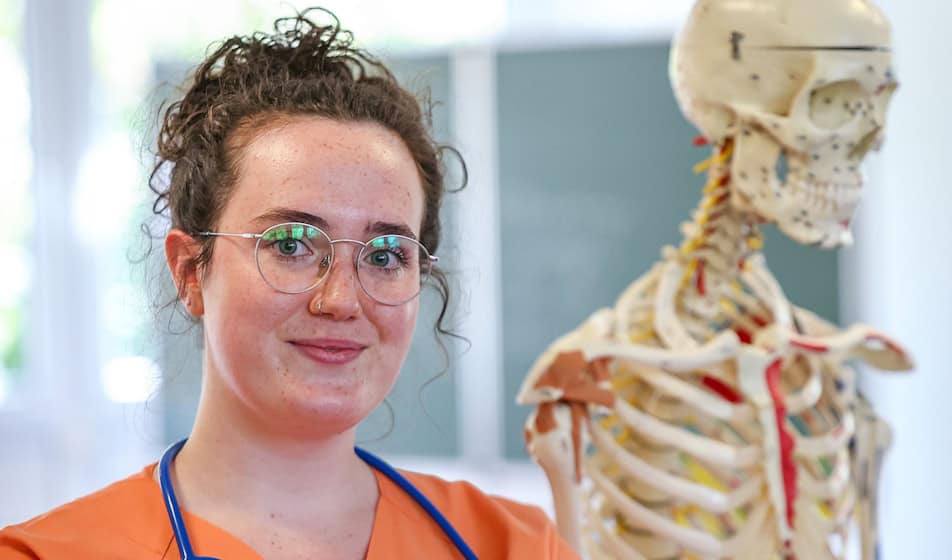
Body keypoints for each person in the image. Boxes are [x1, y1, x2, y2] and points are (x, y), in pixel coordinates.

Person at [0, 9, 576, 560]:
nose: (342, 300)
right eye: (291, 245)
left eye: (384, 254)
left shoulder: (512, 545)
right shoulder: (45, 554)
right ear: (189, 272)